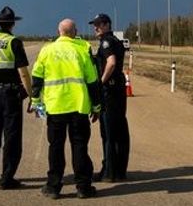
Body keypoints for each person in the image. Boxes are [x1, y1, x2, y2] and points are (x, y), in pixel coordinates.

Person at [30, 19, 102, 200]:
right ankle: (83, 188)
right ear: (74, 32)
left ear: (59, 31)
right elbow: (92, 81)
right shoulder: (81, 50)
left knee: (55, 147)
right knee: (79, 147)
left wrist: (36, 102)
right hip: (79, 107)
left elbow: (37, 79)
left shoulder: (47, 50)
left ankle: (53, 187)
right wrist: (97, 106)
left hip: (55, 108)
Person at [0, 5, 33, 190]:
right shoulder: (14, 42)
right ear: (12, 24)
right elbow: (23, 73)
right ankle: (7, 177)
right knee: (11, 135)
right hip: (10, 95)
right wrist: (31, 95)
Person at [89, 13, 130, 182]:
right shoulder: (115, 40)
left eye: (99, 24)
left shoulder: (106, 42)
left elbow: (111, 62)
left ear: (107, 25)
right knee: (119, 130)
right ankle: (118, 170)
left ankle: (109, 172)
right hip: (118, 89)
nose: (95, 27)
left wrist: (101, 81)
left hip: (110, 91)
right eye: (95, 25)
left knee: (109, 132)